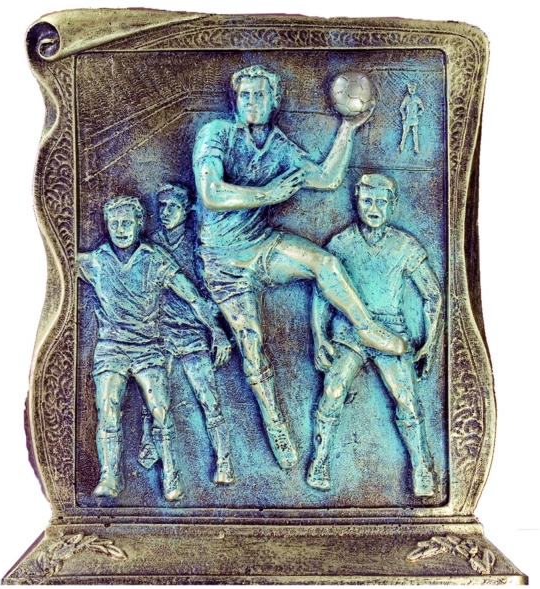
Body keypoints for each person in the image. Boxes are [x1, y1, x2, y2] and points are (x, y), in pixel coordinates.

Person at [193, 65, 408, 470]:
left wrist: (348, 128)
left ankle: (366, 327)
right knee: (251, 343)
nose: (252, 102)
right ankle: (274, 421)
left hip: (261, 245)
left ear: (274, 100)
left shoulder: (278, 144)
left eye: (260, 95)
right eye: (245, 95)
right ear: (235, 100)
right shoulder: (216, 135)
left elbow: (326, 178)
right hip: (222, 261)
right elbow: (211, 192)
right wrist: (268, 193)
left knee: (325, 263)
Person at [77, 196, 229, 501]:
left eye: (126, 223)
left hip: (148, 348)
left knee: (161, 412)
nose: (120, 229)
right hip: (111, 347)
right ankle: (110, 476)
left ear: (139, 224)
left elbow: (191, 296)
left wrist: (217, 330)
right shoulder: (94, 261)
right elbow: (55, 260)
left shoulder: (155, 258)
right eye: (114, 223)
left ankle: (171, 475)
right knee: (107, 409)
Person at [308, 174, 443, 497]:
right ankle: (319, 460)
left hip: (391, 332)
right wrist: (320, 337)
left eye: (381, 202)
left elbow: (433, 295)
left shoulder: (405, 246)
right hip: (349, 330)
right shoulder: (340, 244)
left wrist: (429, 345)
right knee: (333, 390)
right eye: (367, 201)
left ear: (393, 205)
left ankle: (422, 466)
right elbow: (323, 293)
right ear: (356, 200)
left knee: (407, 399)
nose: (374, 208)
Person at [138, 183, 235, 485]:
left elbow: (213, 292)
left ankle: (224, 462)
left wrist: (219, 332)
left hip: (193, 332)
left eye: (173, 207)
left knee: (209, 400)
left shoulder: (198, 245)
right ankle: (149, 442)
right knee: (153, 397)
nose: (165, 212)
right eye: (162, 206)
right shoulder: (150, 246)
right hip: (160, 334)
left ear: (187, 210)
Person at [399, 82, 425, 153]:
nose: (411, 89)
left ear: (415, 88)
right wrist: (403, 115)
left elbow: (422, 108)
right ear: (408, 89)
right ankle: (401, 146)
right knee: (405, 133)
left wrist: (418, 113)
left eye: (413, 87)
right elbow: (401, 108)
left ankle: (416, 148)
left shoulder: (417, 99)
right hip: (407, 118)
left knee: (415, 134)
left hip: (414, 118)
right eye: (410, 87)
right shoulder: (406, 98)